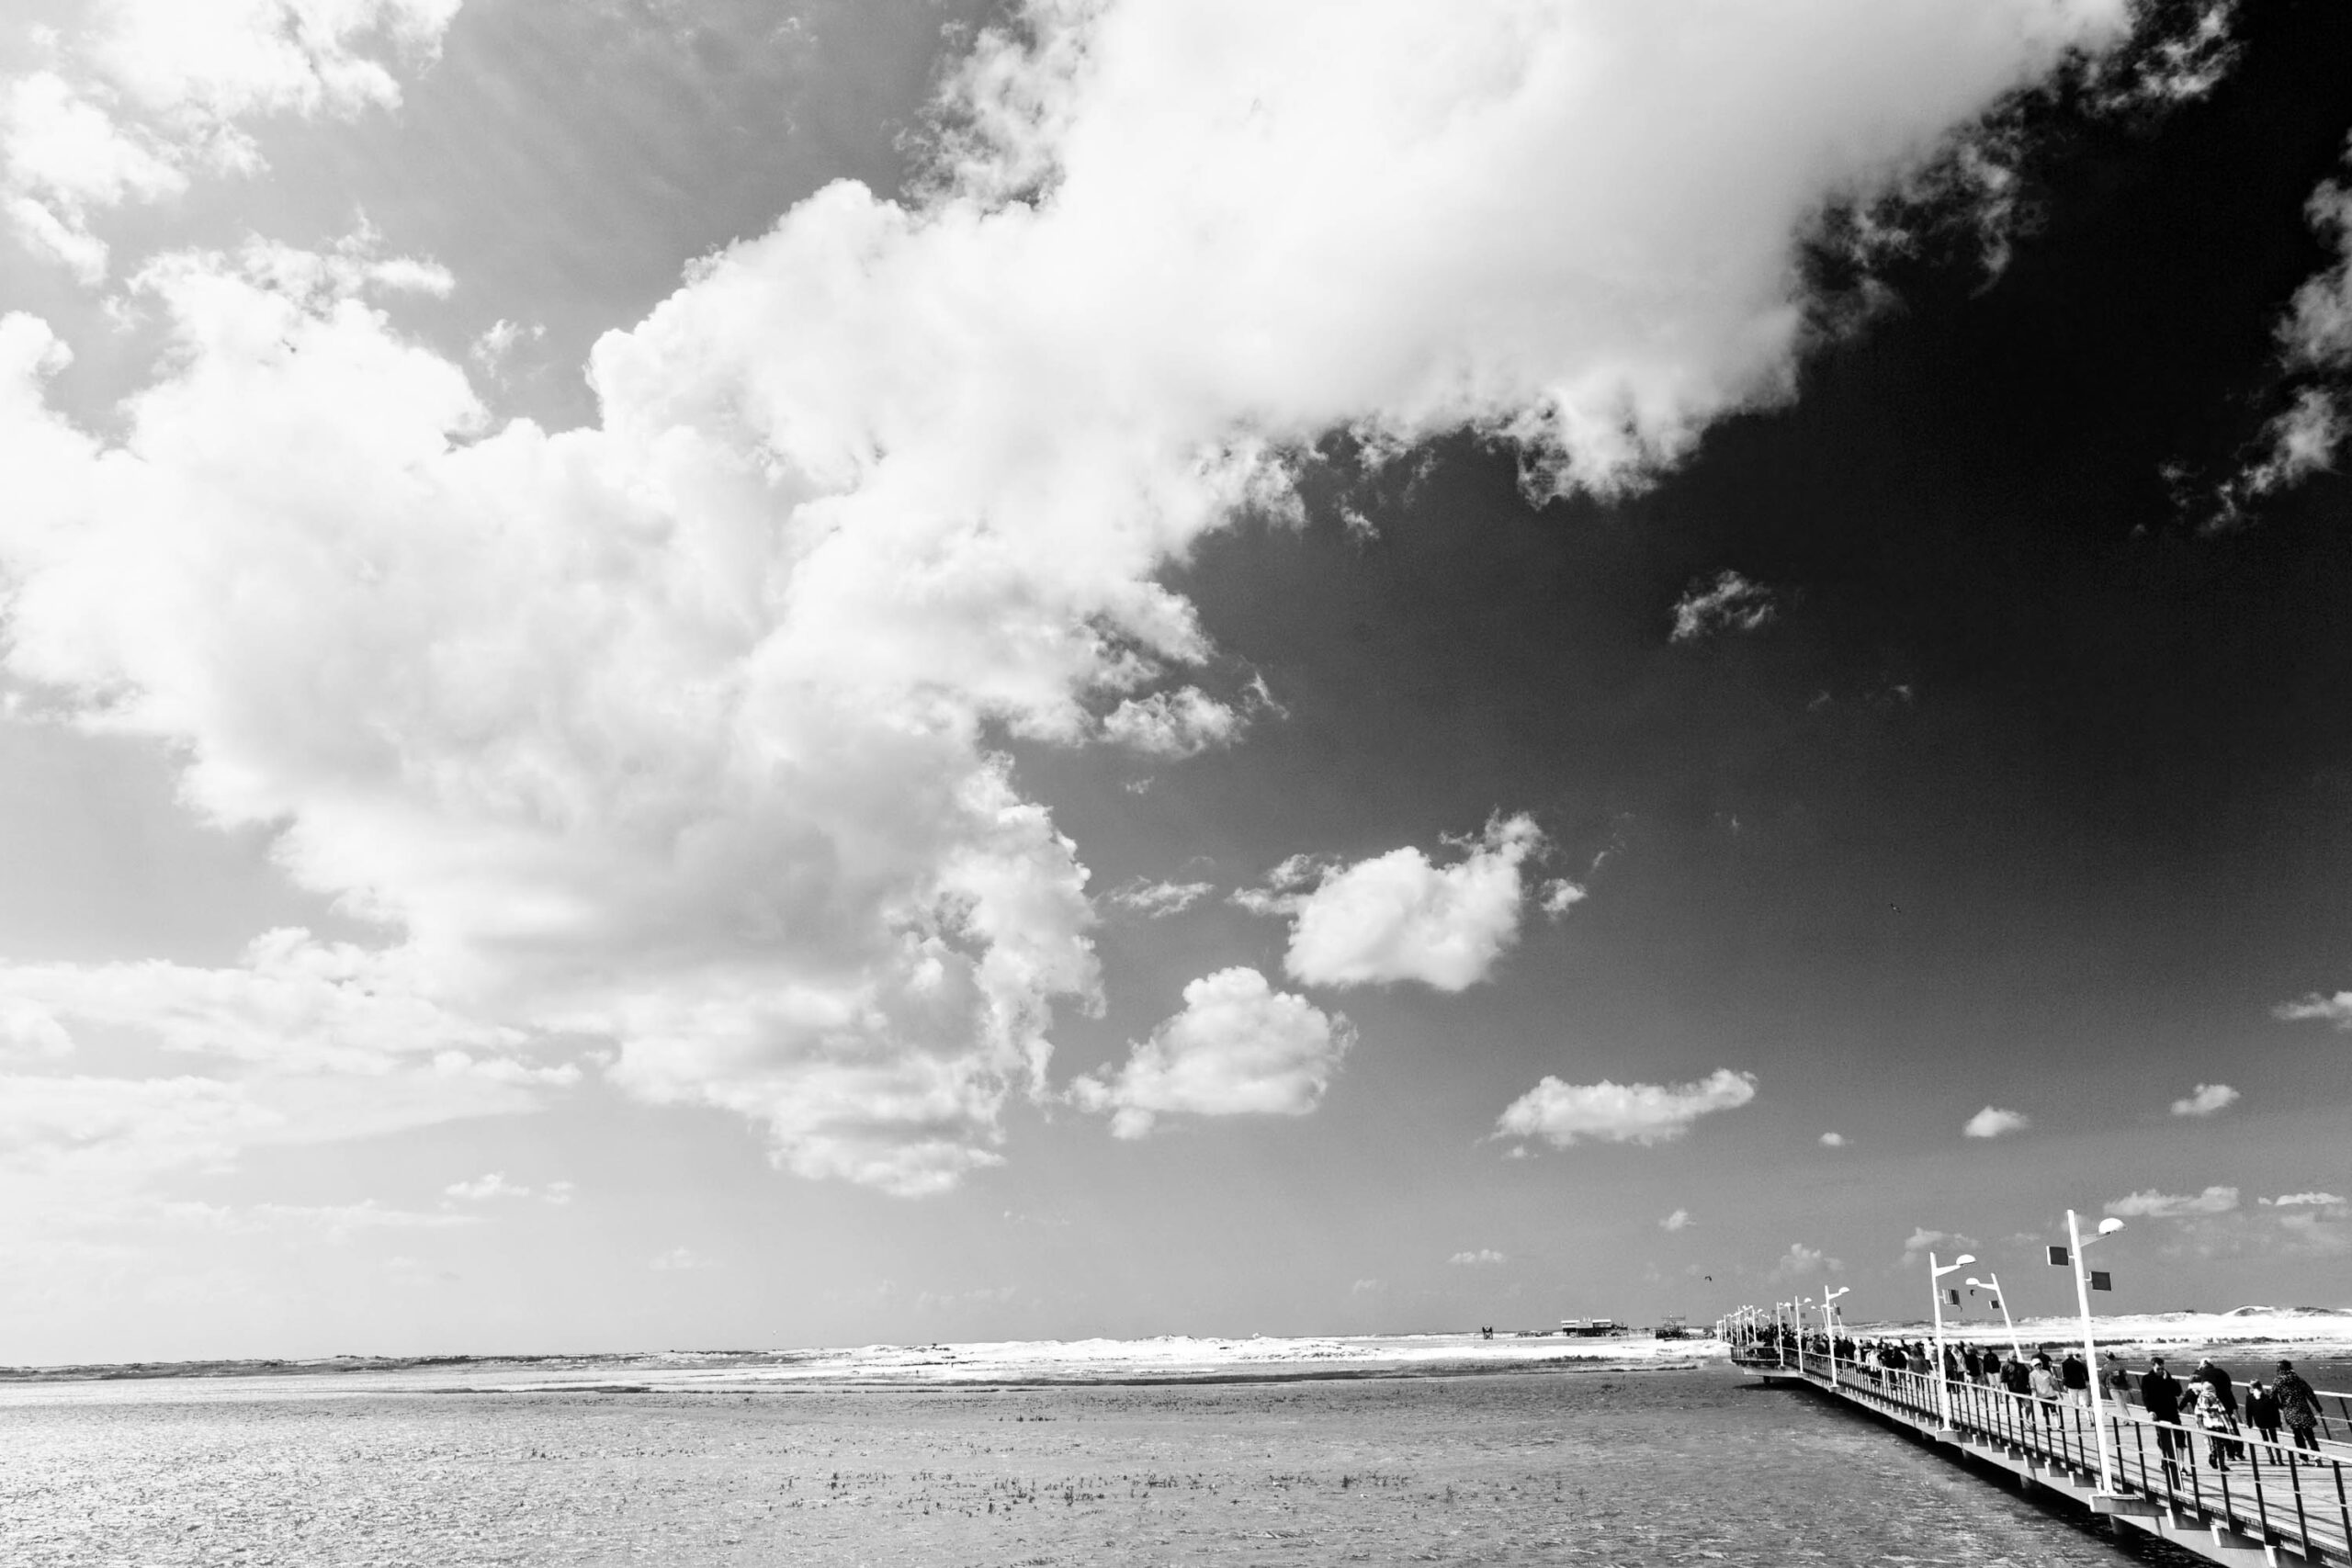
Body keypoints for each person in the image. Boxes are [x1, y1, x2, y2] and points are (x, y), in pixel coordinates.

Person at [2141, 1356, 2186, 1488]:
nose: (2161, 1371)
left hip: (2172, 1411)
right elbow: (2146, 1396)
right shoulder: (2147, 1379)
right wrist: (2150, 1410)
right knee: (2163, 1438)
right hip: (2158, 1412)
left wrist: (2169, 1380)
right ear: (2153, 1367)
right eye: (2158, 1369)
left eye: (2162, 1368)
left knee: (2180, 1437)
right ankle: (2164, 1459)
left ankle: (2181, 1465)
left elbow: (2178, 1392)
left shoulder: (2168, 1377)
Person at [2274, 1360, 2322, 1458]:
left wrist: (2281, 1406)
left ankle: (2303, 1457)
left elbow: (2272, 1396)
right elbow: (2310, 1394)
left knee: (2297, 1434)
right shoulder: (2299, 1379)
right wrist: (2318, 1408)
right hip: (2304, 1409)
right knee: (2309, 1434)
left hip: (2290, 1411)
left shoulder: (2278, 1381)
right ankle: (2316, 1456)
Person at [2189, 1376, 2234, 1471]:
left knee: (2211, 1443)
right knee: (2221, 1445)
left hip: (2207, 1425)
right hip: (2218, 1424)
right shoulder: (2216, 1400)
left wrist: (2199, 1425)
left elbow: (2197, 1414)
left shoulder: (2200, 1400)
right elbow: (2223, 1414)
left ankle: (2213, 1456)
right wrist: (2230, 1428)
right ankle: (2222, 1464)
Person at [2245, 1380, 2282, 1462]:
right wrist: (2278, 1422)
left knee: (2265, 1438)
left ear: (2251, 1387)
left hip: (2260, 1421)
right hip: (2271, 1420)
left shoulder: (2249, 1397)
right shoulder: (2268, 1396)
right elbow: (2275, 1410)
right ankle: (2279, 1458)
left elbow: (2248, 1412)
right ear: (2261, 1386)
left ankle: (2271, 1457)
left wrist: (2249, 1423)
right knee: (2274, 1439)